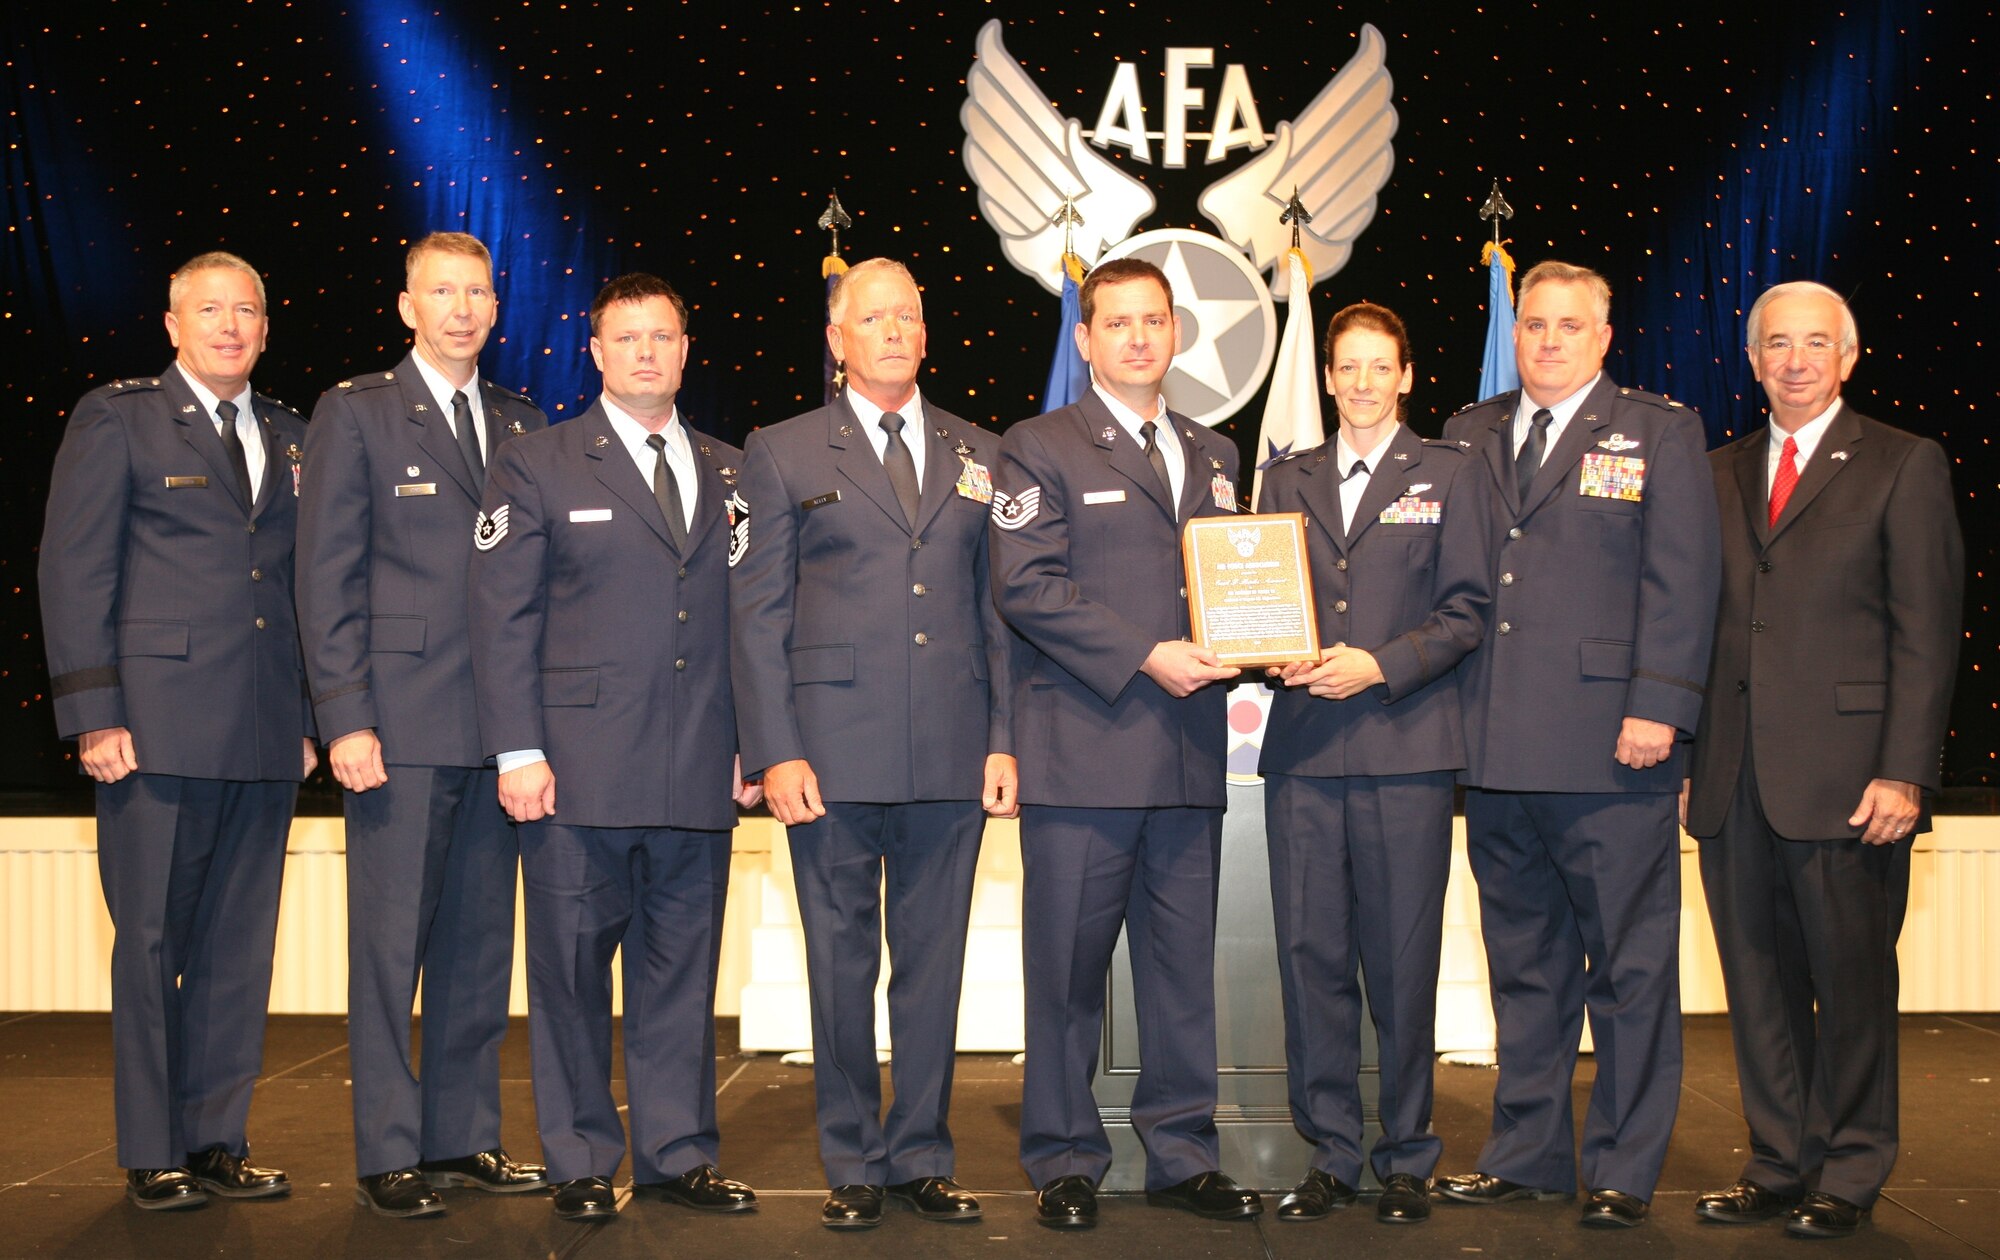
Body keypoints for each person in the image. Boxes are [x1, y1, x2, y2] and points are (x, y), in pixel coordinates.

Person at [467, 273, 761, 1224]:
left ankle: (678, 1153)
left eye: (662, 337)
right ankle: (582, 1158)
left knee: (682, 975)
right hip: (574, 772)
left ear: (685, 350)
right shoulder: (537, 464)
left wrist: (749, 743)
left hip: (696, 770)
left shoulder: (730, 469)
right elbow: (502, 619)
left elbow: (752, 624)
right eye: (626, 338)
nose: (646, 352)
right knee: (570, 977)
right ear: (594, 353)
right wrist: (516, 751)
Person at [730, 259, 1017, 1229]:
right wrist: (775, 749)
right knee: (839, 969)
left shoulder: (980, 451)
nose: (892, 330)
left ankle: (921, 1156)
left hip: (948, 754)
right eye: (873, 317)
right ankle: (852, 1161)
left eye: (907, 316)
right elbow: (757, 612)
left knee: (933, 969)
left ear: (926, 334)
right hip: (829, 758)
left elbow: (996, 613)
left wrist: (1002, 737)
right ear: (836, 337)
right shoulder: (780, 450)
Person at [1437, 260, 1720, 1228]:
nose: (1547, 340)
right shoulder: (1467, 433)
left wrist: (1660, 707)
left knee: (1629, 970)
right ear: (1512, 335)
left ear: (1602, 336)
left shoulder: (1657, 431)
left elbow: (1683, 582)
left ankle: (1621, 1168)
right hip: (1493, 743)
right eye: (1532, 325)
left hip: (1613, 746)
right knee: (1523, 966)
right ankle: (1526, 1155)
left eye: (1567, 325)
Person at [1683, 281, 1962, 1240]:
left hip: (1851, 782)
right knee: (1754, 984)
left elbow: (1927, 633)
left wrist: (1906, 770)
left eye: (1814, 343)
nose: (1794, 360)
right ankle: (1776, 1160)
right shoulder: (1713, 472)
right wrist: (1690, 750)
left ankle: (1848, 1169)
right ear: (1751, 360)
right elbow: (1698, 630)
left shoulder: (1901, 462)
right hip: (1732, 779)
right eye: (1776, 344)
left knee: (1850, 988)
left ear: (1848, 357)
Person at [39, 251, 315, 1211]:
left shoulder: (291, 433)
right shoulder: (117, 416)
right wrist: (93, 713)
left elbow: (302, 588)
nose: (230, 326)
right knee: (151, 938)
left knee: (242, 945)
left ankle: (215, 1140)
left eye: (247, 310)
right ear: (173, 324)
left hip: (265, 727)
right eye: (210, 310)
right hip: (151, 729)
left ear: (267, 327)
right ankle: (151, 1148)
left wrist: (314, 716)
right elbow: (74, 570)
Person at [989, 256, 1259, 1230]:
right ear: (1085, 337)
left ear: (1175, 334)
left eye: (1153, 321)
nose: (1137, 338)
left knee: (1182, 974)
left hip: (1189, 757)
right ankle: (1064, 1159)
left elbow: (1237, 584)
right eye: (1118, 323)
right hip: (1082, 756)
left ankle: (1182, 1155)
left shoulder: (1218, 452)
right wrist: (1145, 652)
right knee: (1064, 975)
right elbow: (1026, 586)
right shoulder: (1037, 445)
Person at [295, 231, 549, 1217]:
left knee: (480, 948)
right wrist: (345, 717)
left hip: (500, 735)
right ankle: (388, 1148)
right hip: (396, 729)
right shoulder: (356, 414)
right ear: (407, 307)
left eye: (475, 292)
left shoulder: (526, 425)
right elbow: (325, 577)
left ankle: (462, 1136)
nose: (460, 308)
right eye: (440, 291)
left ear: (494, 308)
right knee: (389, 949)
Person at [1257, 302, 1493, 1226]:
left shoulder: (1452, 472)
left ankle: (1406, 1156)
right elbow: (1258, 597)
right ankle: (1332, 1156)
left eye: (1376, 367)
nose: (1360, 383)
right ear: (1327, 377)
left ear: (1405, 377)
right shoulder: (1286, 477)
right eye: (1344, 367)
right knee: (1311, 959)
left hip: (1407, 750)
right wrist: (1269, 649)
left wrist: (1380, 664)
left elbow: (1469, 609)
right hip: (1306, 753)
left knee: (1401, 963)